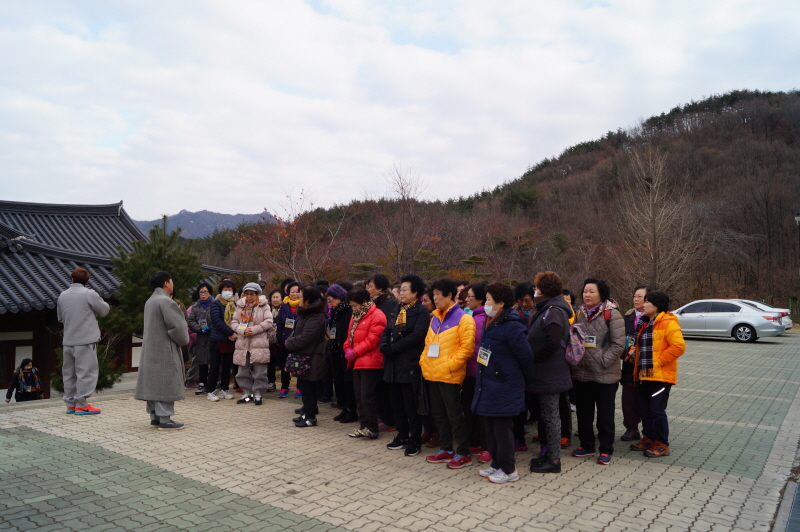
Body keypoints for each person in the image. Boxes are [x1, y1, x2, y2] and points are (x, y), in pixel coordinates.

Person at [472, 282, 535, 483]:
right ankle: (496, 464)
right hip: (488, 382)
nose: (486, 304)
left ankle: (509, 470)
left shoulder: (512, 325)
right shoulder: (490, 321)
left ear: (500, 303)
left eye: (489, 300)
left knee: (502, 429)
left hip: (505, 384)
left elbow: (526, 357)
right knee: (490, 427)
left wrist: (519, 380)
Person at [421, 278, 476, 469]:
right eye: (433, 294)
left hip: (449, 375)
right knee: (439, 414)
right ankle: (446, 449)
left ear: (450, 295)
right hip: (431, 373)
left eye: (438, 294)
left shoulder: (464, 318)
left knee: (455, 415)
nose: (434, 298)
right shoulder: (435, 317)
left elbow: (466, 348)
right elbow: (427, 344)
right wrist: (424, 362)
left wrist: (450, 366)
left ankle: (463, 452)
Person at [571, 278, 625, 465]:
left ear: (601, 294)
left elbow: (618, 345)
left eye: (591, 291)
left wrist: (603, 362)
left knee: (605, 415)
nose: (587, 294)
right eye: (585, 291)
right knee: (583, 413)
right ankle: (587, 445)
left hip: (605, 374)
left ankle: (606, 449)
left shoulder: (612, 314)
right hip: (582, 372)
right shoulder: (579, 313)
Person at [630, 290, 685, 457]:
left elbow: (679, 346)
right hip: (644, 374)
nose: (644, 304)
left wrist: (659, 361)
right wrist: (633, 350)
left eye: (647, 302)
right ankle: (649, 438)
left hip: (660, 376)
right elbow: (640, 344)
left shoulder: (668, 323)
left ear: (657, 306)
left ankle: (662, 444)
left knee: (657, 411)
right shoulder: (644, 323)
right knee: (644, 409)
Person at [527, 272, 573, 474]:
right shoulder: (546, 309)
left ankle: (554, 460)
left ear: (544, 290)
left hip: (551, 372)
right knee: (546, 415)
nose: (534, 291)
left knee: (551, 416)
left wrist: (534, 357)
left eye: (537, 288)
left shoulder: (553, 311)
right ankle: (548, 455)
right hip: (546, 372)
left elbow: (553, 343)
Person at [381, 274, 430, 455]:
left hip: (409, 363)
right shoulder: (397, 308)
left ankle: (414, 439)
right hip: (393, 364)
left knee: (411, 406)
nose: (401, 292)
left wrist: (394, 348)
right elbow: (387, 330)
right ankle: (402, 435)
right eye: (400, 289)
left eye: (404, 290)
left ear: (415, 292)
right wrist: (384, 345)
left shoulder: (421, 311)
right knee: (397, 404)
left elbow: (416, 336)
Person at [134, 271, 191, 430]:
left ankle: (155, 417)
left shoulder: (150, 301)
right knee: (165, 382)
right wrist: (184, 340)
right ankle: (165, 420)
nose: (173, 284)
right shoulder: (166, 301)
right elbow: (178, 328)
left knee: (154, 383)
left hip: (151, 349)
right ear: (166, 283)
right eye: (171, 281)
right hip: (165, 349)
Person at [57, 267, 110, 415]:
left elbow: (60, 317)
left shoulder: (62, 295)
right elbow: (104, 311)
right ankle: (81, 404)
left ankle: (70, 404)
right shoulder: (89, 293)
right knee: (86, 372)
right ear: (87, 281)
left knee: (69, 373)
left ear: (72, 279)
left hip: (68, 339)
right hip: (85, 339)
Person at [344, 287, 388, 439]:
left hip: (371, 361)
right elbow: (349, 336)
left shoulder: (377, 315)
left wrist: (355, 351)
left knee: (367, 396)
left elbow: (372, 340)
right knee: (358, 396)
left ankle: (372, 427)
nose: (353, 308)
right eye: (351, 306)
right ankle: (363, 426)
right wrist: (347, 348)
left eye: (355, 305)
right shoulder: (355, 315)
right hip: (357, 361)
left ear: (364, 301)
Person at [285, 284, 329, 427]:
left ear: (308, 299)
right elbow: (297, 332)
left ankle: (311, 418)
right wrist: (290, 340)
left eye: (301, 295)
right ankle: (306, 413)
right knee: (304, 386)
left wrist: (290, 343)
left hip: (312, 357)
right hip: (304, 355)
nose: (298, 297)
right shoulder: (306, 312)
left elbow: (306, 336)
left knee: (309, 387)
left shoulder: (316, 315)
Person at [231, 282, 274, 405]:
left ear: (258, 294)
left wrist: (254, 329)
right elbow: (234, 322)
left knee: (260, 372)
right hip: (243, 343)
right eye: (247, 294)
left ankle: (258, 393)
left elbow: (269, 321)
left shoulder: (264, 305)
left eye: (252, 294)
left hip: (259, 343)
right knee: (242, 372)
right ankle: (247, 393)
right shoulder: (240, 306)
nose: (249, 296)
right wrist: (242, 331)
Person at [462, 281, 488, 461]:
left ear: (480, 300)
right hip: (469, 370)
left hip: (477, 371)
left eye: (470, 296)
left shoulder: (482, 319)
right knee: (470, 408)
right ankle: (475, 441)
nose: (466, 299)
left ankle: (483, 444)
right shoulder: (472, 317)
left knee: (478, 410)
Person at [621, 286, 649, 441]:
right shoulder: (628, 316)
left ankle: (648, 432)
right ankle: (631, 428)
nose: (636, 299)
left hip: (645, 364)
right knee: (628, 398)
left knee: (645, 399)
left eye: (640, 296)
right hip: (628, 364)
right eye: (634, 296)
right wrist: (625, 355)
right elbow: (620, 338)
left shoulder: (653, 317)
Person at [327, 283, 357, 423]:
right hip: (335, 350)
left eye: (331, 298)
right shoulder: (335, 311)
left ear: (338, 297)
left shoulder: (347, 310)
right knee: (338, 380)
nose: (329, 301)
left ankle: (351, 410)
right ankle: (343, 407)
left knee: (347, 381)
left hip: (345, 351)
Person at [206, 280, 237, 402]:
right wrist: (230, 333)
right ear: (221, 291)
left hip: (230, 340)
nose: (227, 292)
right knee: (214, 367)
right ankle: (210, 391)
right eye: (225, 290)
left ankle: (225, 389)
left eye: (230, 290)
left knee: (227, 367)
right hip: (217, 340)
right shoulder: (216, 303)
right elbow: (216, 321)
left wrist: (234, 333)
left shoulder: (234, 304)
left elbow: (237, 320)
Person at [275, 282, 302, 398]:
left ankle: (300, 387)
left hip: (299, 341)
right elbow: (279, 323)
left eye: (297, 292)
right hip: (285, 340)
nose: (295, 294)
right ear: (288, 293)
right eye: (292, 292)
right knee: (284, 364)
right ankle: (284, 387)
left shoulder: (303, 305)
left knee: (299, 364)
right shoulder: (284, 306)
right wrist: (280, 337)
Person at [188, 282, 214, 396]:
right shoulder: (195, 307)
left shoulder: (215, 305)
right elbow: (191, 321)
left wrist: (211, 328)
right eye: (201, 292)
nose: (203, 294)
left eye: (205, 292)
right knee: (202, 361)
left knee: (213, 361)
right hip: (201, 337)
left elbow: (219, 319)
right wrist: (199, 328)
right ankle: (202, 383)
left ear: (210, 293)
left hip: (213, 337)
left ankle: (212, 383)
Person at [266, 289, 283, 392]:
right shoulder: (267, 309)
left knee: (282, 361)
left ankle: (285, 384)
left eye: (277, 297)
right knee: (270, 361)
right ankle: (271, 381)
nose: (275, 299)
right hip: (270, 341)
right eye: (273, 297)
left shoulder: (285, 309)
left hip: (282, 339)